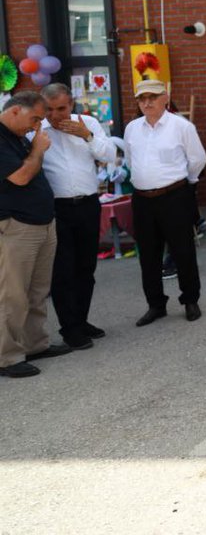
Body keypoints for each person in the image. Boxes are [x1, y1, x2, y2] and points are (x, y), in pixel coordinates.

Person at [0, 92, 72, 378]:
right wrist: (38, 149)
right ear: (15, 111)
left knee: (38, 291)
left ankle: (34, 343)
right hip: (16, 226)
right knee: (12, 293)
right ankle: (7, 356)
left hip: (41, 222)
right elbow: (20, 176)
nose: (37, 126)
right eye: (35, 119)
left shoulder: (18, 136)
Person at [124, 79, 206, 326]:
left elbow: (197, 160)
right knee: (148, 255)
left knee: (183, 251)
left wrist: (184, 183)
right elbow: (130, 160)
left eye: (152, 97)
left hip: (174, 196)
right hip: (142, 199)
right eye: (142, 98)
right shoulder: (132, 129)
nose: (147, 102)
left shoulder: (181, 126)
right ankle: (156, 304)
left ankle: (190, 300)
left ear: (165, 99)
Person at [39, 83, 116, 349]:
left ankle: (81, 321)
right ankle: (69, 328)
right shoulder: (37, 130)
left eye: (61, 108)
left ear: (71, 105)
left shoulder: (89, 123)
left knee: (86, 267)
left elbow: (110, 155)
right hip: (57, 207)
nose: (55, 115)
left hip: (88, 204)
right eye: (49, 109)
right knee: (63, 270)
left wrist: (87, 136)